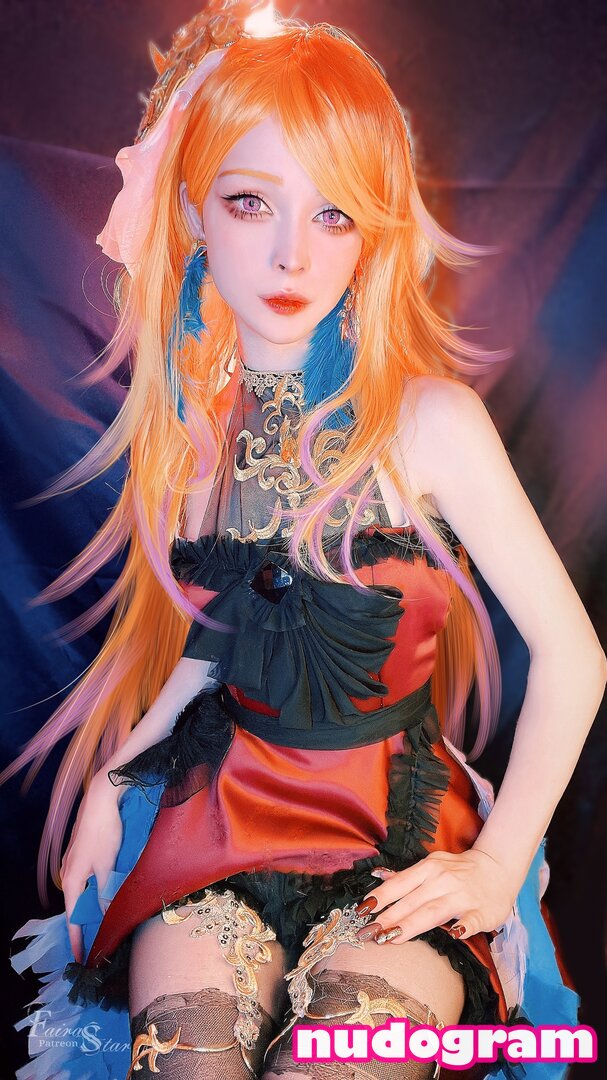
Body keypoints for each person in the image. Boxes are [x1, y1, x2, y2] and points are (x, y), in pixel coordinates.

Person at [8, 2, 606, 1078]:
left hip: (391, 834)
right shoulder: (206, 435)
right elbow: (222, 638)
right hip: (219, 825)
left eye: (333, 214)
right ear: (193, 212)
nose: (292, 253)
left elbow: (575, 655)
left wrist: (498, 860)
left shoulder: (430, 423)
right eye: (251, 202)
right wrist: (118, 778)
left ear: (372, 230)